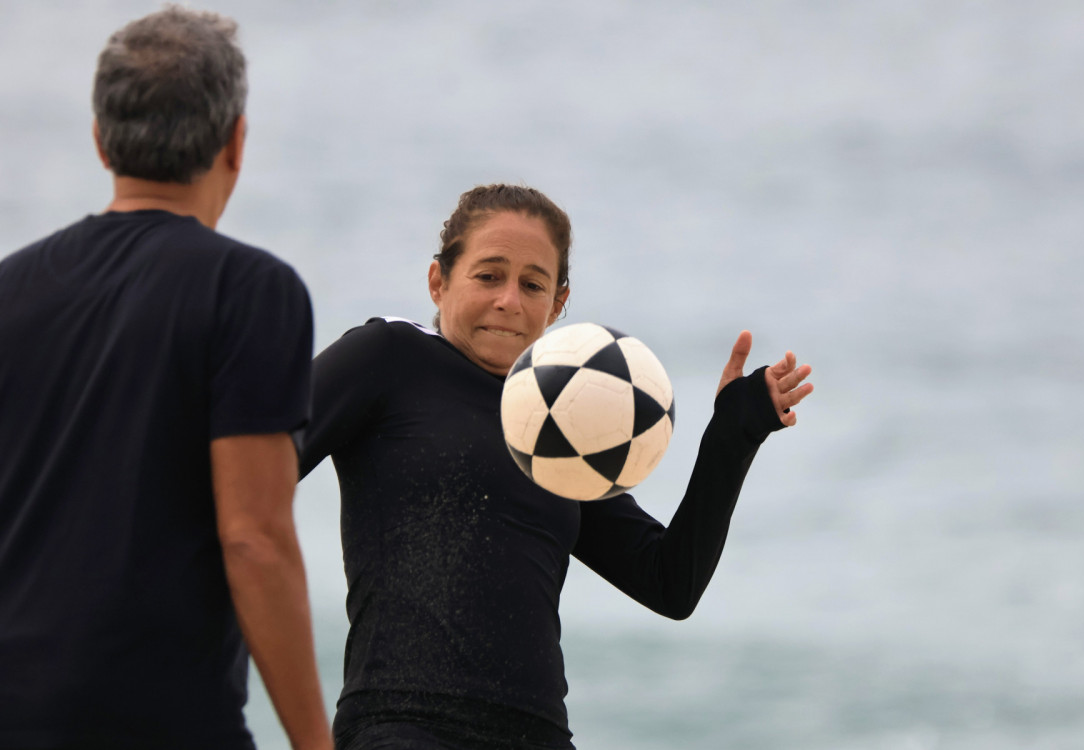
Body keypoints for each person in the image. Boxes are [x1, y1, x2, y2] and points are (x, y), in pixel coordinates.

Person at [297, 184, 813, 750]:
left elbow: (671, 583)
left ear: (557, 304)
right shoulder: (388, 355)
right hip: (402, 726)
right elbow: (250, 471)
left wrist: (733, 435)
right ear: (438, 281)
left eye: (533, 284)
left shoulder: (556, 420)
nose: (509, 301)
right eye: (488, 276)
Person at [0, 8, 331, 750]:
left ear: (100, 139)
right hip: (161, 721)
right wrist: (316, 741)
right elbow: (255, 539)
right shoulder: (251, 291)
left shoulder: (9, 289)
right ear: (235, 142)